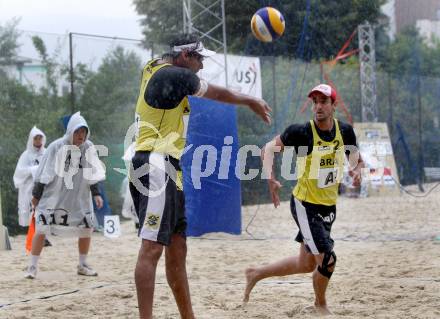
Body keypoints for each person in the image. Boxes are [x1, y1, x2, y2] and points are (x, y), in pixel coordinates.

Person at [130, 33, 271, 319]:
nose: (202, 66)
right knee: (152, 248)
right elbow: (219, 94)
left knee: (178, 247)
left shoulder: (155, 67)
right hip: (154, 163)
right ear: (184, 56)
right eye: (199, 59)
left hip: (168, 165)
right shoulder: (175, 75)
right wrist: (250, 100)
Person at [243, 84, 364, 315]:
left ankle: (255, 273)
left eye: (323, 102)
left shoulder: (345, 131)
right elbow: (267, 149)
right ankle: (321, 305)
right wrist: (271, 179)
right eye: (315, 102)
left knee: (306, 264)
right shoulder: (302, 132)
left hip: (329, 207)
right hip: (305, 205)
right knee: (327, 260)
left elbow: (356, 160)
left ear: (333, 106)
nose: (318, 106)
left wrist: (357, 170)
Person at [25, 112, 105, 279]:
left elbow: (93, 172)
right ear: (70, 132)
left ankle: (82, 264)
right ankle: (32, 267)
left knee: (86, 229)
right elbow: (43, 173)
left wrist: (96, 193)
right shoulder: (56, 146)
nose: (81, 135)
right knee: (41, 229)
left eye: (83, 132)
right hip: (54, 197)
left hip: (79, 198)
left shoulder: (88, 147)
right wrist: (36, 196)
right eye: (77, 132)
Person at [13, 126, 46, 228]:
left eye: (40, 138)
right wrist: (34, 169)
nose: (38, 140)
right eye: (35, 138)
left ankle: (43, 236)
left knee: (43, 211)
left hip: (43, 187)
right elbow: (19, 172)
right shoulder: (26, 155)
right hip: (29, 188)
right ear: (31, 139)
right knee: (31, 211)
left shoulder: (46, 152)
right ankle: (33, 235)